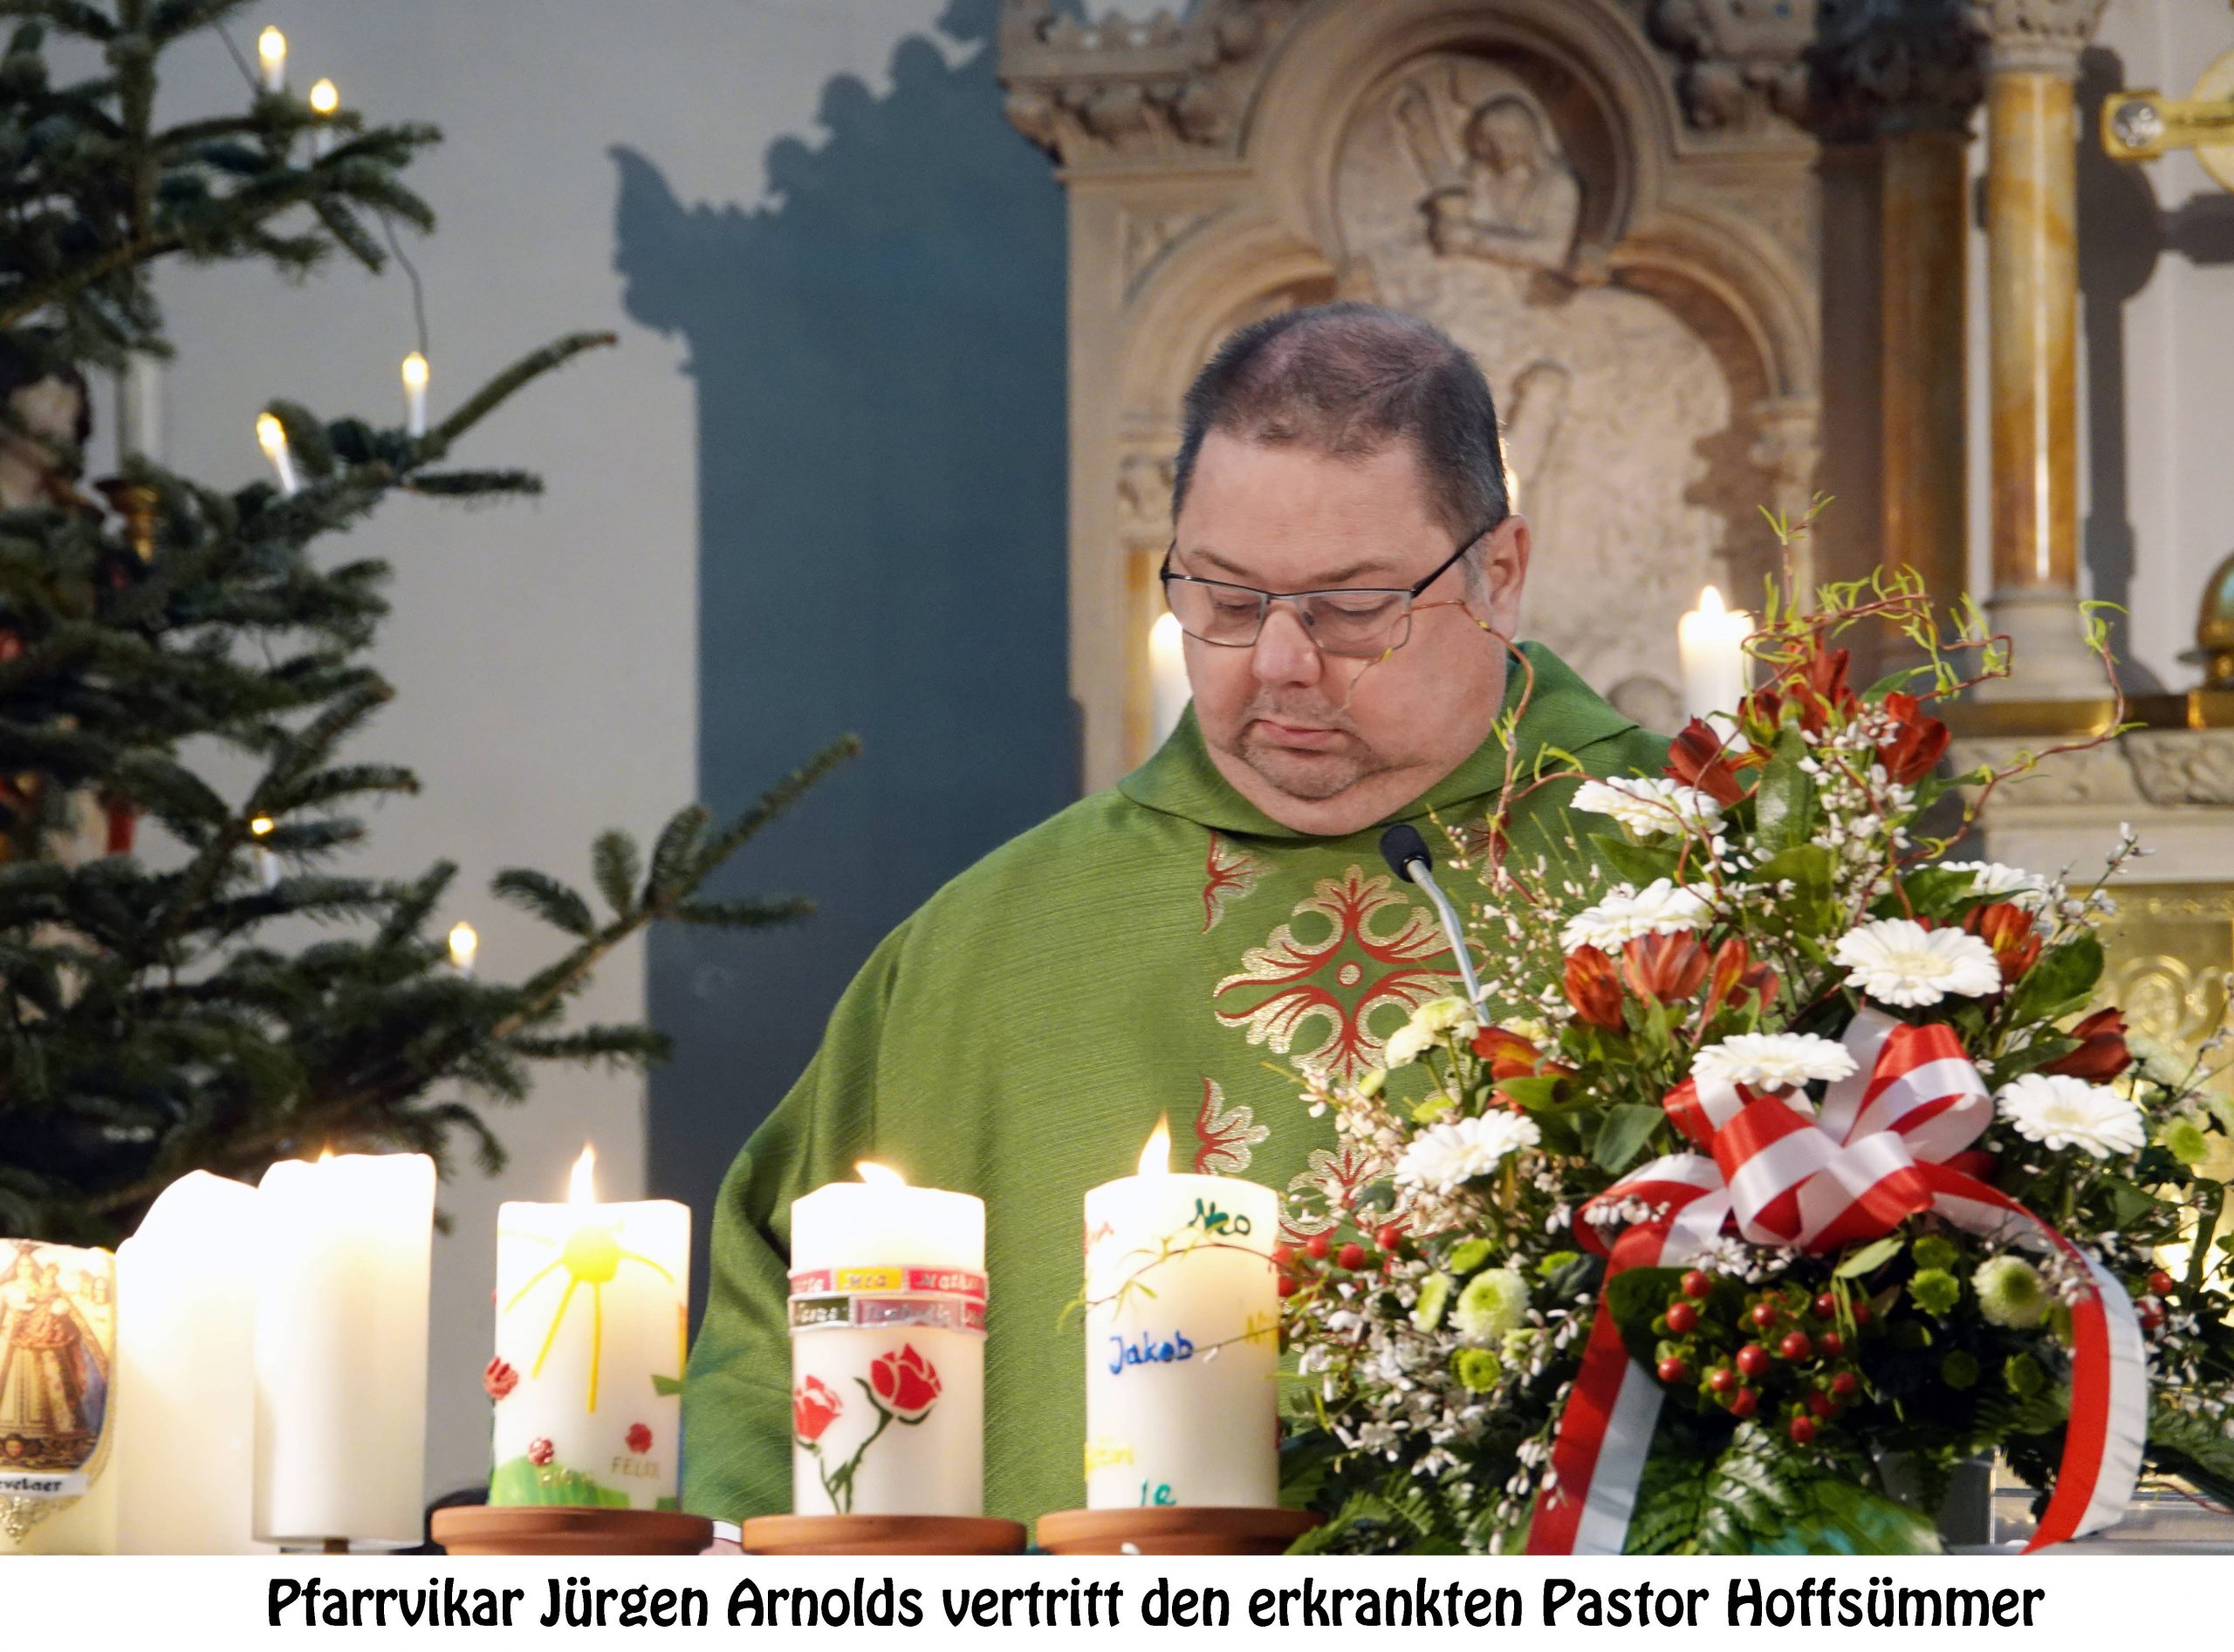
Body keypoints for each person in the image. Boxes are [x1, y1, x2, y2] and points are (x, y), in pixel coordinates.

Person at [682, 301, 1668, 1527]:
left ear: (1498, 574)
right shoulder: (980, 949)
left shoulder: (1696, 875)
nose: (1282, 662)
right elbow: (769, 1351)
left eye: (1354, 606)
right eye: (1226, 599)